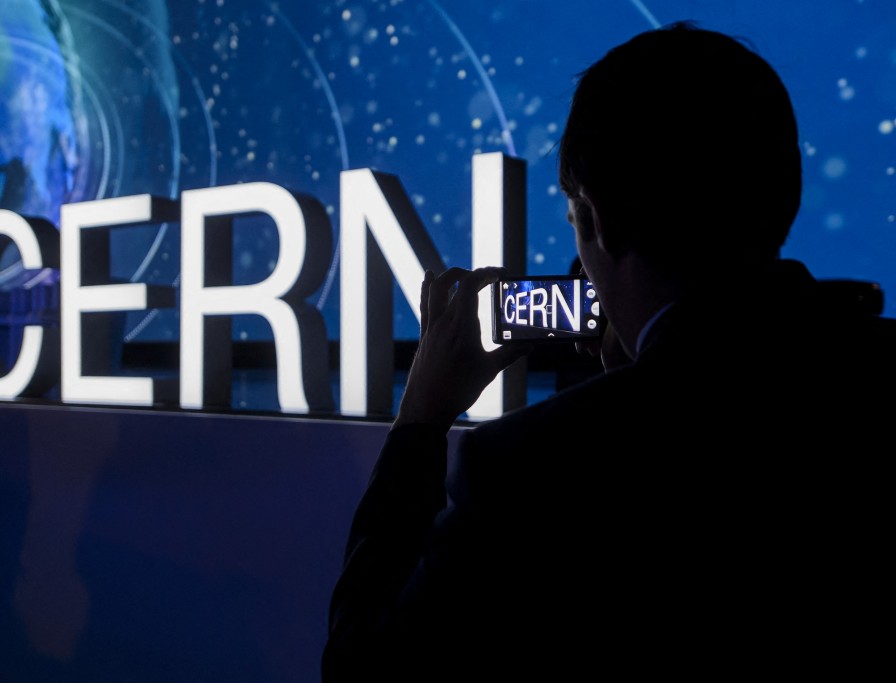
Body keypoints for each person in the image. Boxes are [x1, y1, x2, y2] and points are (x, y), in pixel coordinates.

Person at [322, 21, 894, 681]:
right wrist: (640, 373)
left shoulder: (530, 467)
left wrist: (420, 417)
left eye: (574, 223)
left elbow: (360, 668)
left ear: (593, 217)